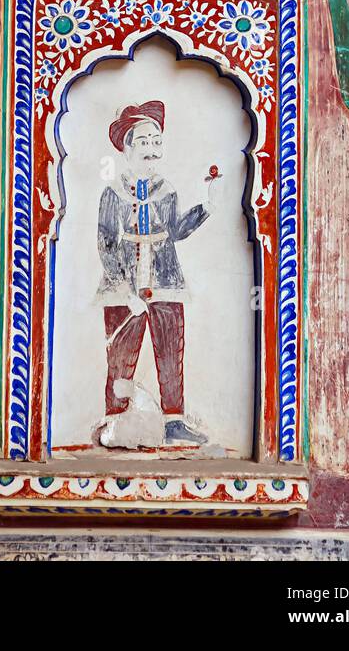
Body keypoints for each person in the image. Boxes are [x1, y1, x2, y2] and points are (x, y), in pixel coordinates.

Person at [97, 99, 216, 445]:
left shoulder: (167, 190)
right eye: (145, 141)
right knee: (121, 355)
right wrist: (126, 291)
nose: (152, 149)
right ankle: (115, 423)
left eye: (157, 141)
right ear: (128, 147)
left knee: (170, 352)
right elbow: (106, 243)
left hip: (166, 282)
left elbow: (176, 231)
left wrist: (205, 205)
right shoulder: (113, 193)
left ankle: (174, 423)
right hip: (125, 288)